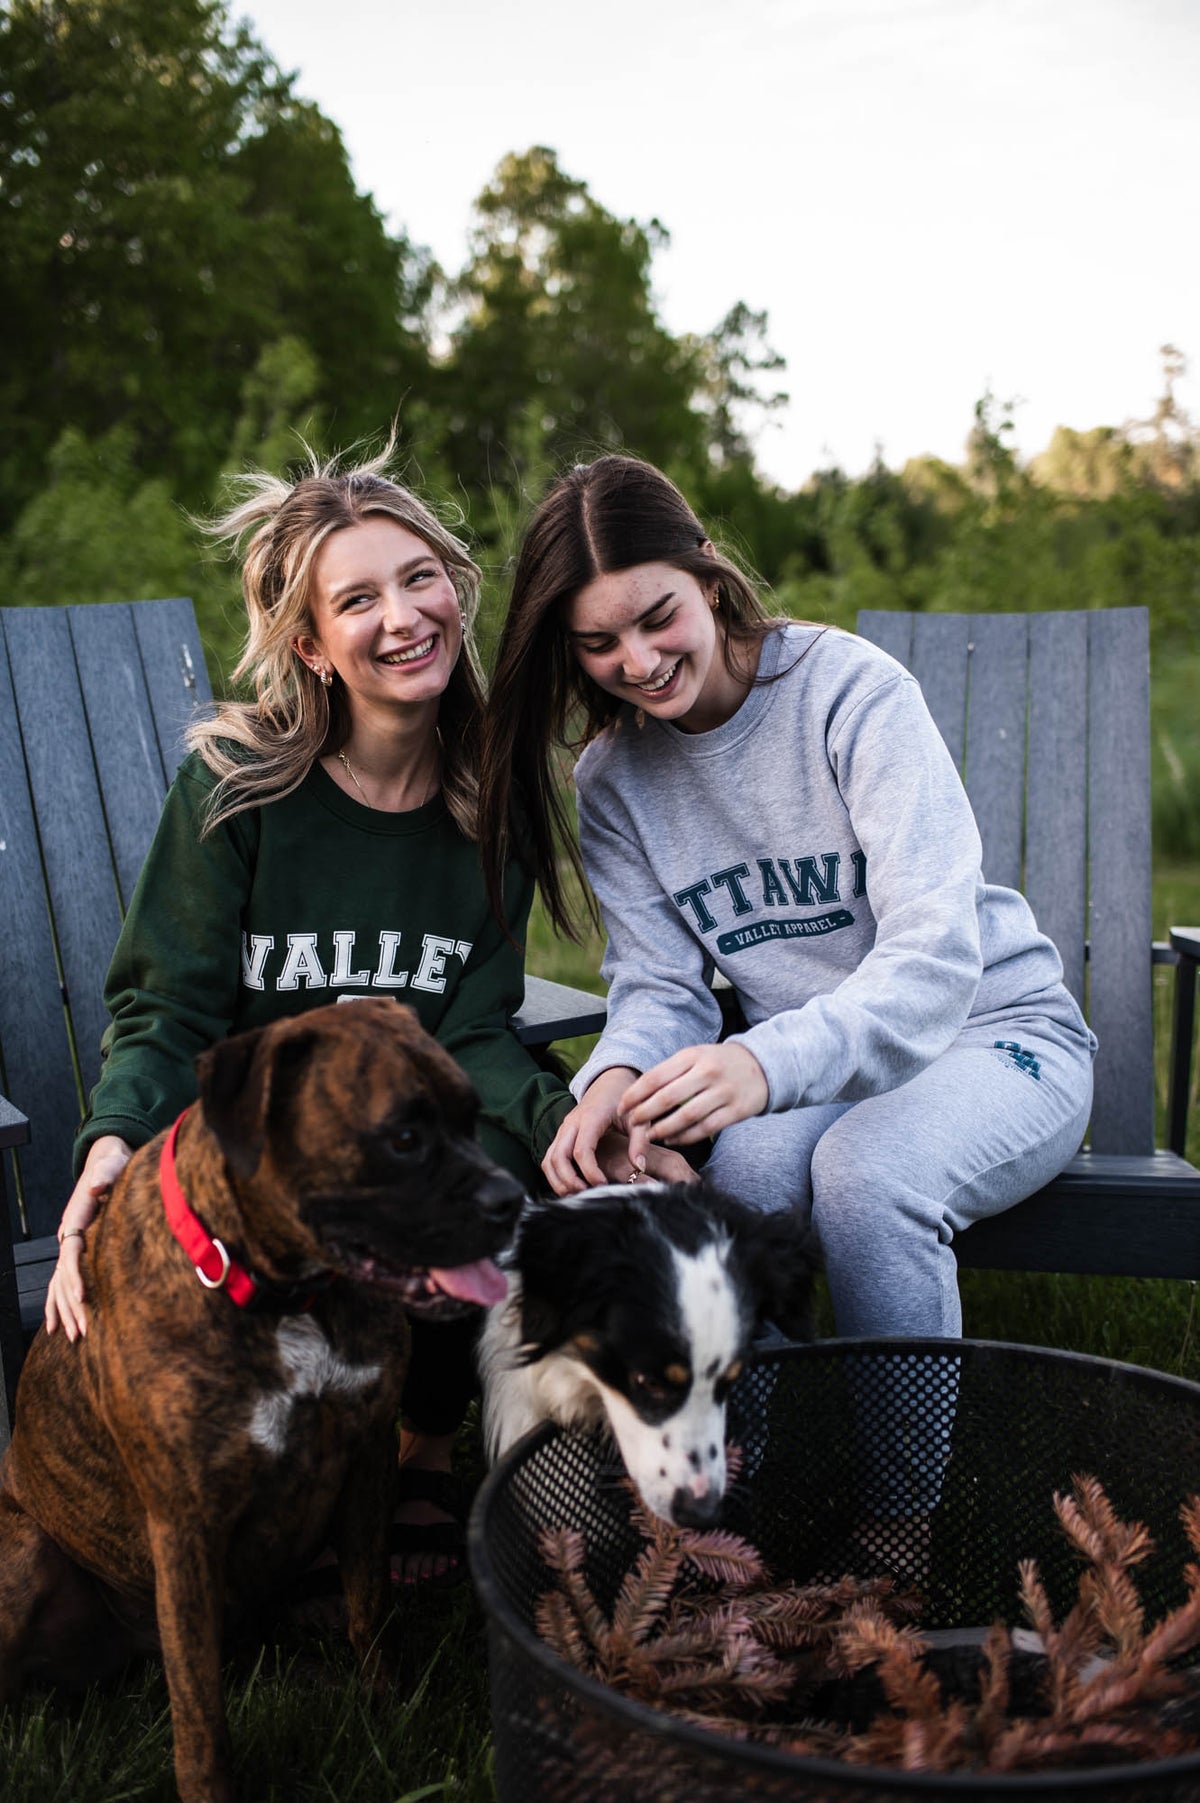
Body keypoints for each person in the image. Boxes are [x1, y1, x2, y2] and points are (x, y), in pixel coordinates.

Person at [45, 448, 576, 1584]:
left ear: (456, 588)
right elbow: (167, 1004)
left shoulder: (490, 802)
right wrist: (106, 1147)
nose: (404, 617)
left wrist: (566, 1116)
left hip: (406, 1146)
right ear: (311, 647)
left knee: (498, 1173)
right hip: (259, 1166)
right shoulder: (239, 790)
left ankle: (425, 1452)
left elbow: (477, 1024)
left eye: (420, 578)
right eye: (359, 599)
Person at [480, 453, 1097, 1351]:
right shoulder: (614, 778)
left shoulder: (849, 692)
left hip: (995, 1035)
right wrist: (611, 1083)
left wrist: (761, 1065)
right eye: (600, 643)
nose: (640, 661)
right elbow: (660, 986)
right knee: (750, 1169)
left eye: (660, 617)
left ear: (708, 573)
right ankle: (731, 1466)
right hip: (821, 1071)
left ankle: (901, 1497)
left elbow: (933, 956)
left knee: (866, 1174)